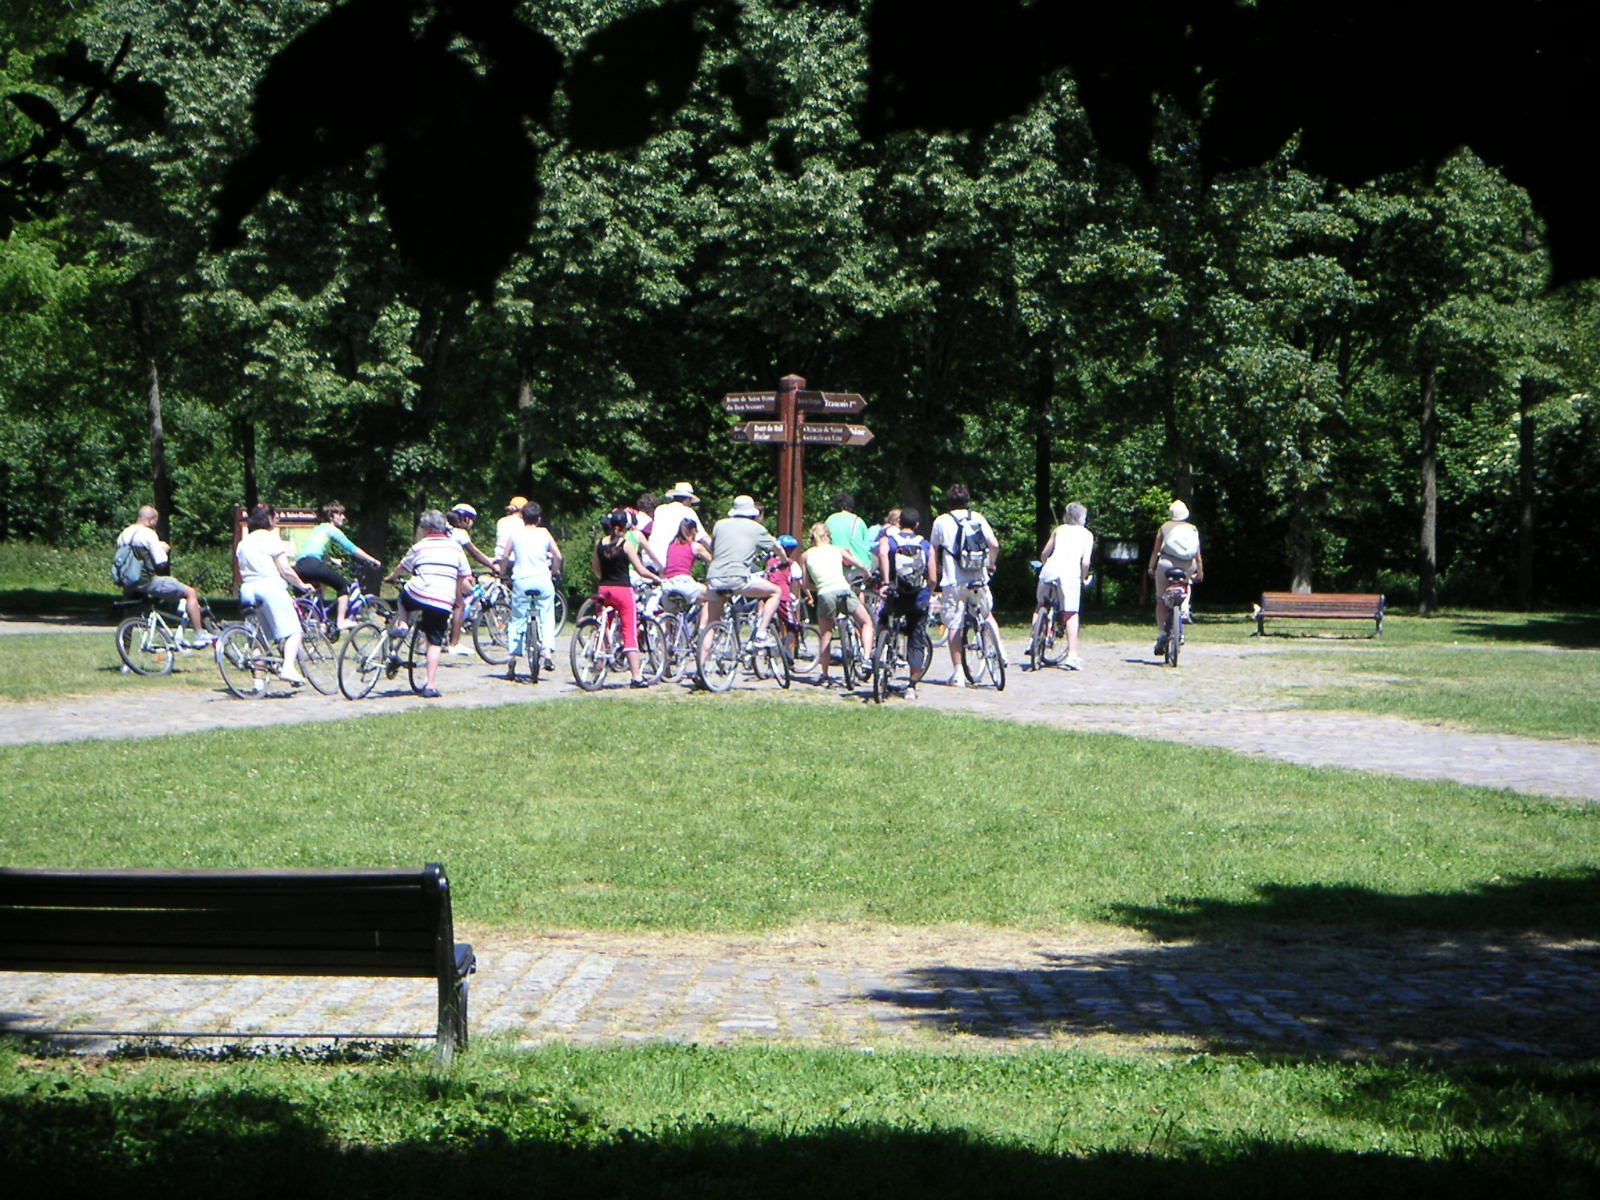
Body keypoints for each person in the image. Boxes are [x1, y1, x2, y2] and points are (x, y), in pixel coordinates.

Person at [387, 509, 472, 698]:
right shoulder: (455, 548)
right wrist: (456, 594)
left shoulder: (420, 547)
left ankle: (402, 624)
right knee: (434, 642)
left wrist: (392, 577)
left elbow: (403, 567)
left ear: (426, 528)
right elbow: (465, 576)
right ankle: (430, 686)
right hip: (443, 600)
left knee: (404, 598)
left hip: (418, 593)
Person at [930, 483, 1001, 686]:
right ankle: (995, 652)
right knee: (986, 615)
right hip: (978, 577)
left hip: (954, 580)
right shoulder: (977, 517)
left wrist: (933, 577)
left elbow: (933, 550)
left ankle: (958, 672)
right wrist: (990, 564)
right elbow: (994, 544)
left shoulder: (941, 521)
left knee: (954, 624)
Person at [235, 503, 312, 689]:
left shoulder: (243, 543)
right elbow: (285, 569)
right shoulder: (271, 539)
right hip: (269, 586)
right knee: (295, 631)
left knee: (258, 638)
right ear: (269, 519)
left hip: (248, 589)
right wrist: (301, 585)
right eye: (275, 517)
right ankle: (288, 667)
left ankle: (258, 683)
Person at [115, 505, 213, 646]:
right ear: (151, 520)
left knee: (128, 620)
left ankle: (126, 661)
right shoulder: (148, 534)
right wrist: (164, 549)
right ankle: (199, 634)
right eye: (155, 521)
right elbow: (161, 562)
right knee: (190, 592)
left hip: (129, 583)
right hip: (147, 581)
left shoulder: (124, 534)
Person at [704, 494, 784, 648]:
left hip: (714, 578)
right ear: (752, 513)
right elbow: (776, 546)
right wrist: (785, 560)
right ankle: (761, 633)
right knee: (775, 591)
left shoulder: (719, 525)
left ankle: (701, 665)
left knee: (712, 624)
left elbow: (714, 549)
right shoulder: (756, 528)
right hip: (738, 578)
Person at [800, 523, 873, 688]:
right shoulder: (837, 549)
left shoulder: (806, 555)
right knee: (866, 622)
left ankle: (825, 675)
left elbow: (804, 583)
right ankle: (867, 658)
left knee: (826, 634)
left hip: (825, 594)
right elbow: (859, 564)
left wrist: (816, 587)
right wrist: (867, 573)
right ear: (828, 536)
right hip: (843, 590)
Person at [593, 509, 660, 687]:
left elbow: (596, 568)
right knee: (629, 631)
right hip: (622, 590)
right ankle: (636, 676)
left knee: (603, 627)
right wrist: (655, 578)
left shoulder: (599, 543)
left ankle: (598, 666)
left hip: (604, 589)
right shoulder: (626, 544)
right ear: (625, 527)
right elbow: (640, 570)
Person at [875, 507, 935, 698]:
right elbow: (933, 577)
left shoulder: (889, 541)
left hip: (896, 595)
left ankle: (879, 653)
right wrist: (930, 592)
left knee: (884, 619)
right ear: (917, 525)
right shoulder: (926, 545)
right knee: (917, 640)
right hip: (918, 598)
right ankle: (911, 686)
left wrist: (885, 582)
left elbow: (883, 555)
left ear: (899, 523)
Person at [293, 502, 382, 631]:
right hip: (313, 564)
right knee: (343, 585)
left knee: (316, 589)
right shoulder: (331, 529)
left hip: (300, 566)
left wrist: (331, 560)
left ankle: (318, 622)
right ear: (331, 516)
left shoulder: (317, 529)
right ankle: (341, 621)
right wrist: (372, 559)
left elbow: (311, 551)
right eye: (339, 514)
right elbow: (351, 548)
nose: (343, 517)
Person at [502, 501, 563, 682]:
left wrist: (502, 572)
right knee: (547, 615)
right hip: (542, 579)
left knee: (517, 619)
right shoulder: (544, 533)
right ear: (539, 518)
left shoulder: (515, 534)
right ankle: (547, 652)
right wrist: (553, 571)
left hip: (521, 580)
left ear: (522, 517)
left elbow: (505, 556)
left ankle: (512, 657)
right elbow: (558, 556)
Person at [1034, 502, 1095, 670]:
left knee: (1040, 605)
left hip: (1049, 570)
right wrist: (1083, 578)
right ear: (1082, 517)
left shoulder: (1059, 530)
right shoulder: (1087, 535)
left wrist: (1045, 563)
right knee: (1071, 613)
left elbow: (1045, 553)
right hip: (1069, 574)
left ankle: (1033, 641)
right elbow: (1086, 561)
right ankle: (1072, 655)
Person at [1147, 499, 1204, 657]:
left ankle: (1161, 633)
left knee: (1160, 600)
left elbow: (1155, 551)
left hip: (1166, 564)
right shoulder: (1193, 529)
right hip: (1187, 565)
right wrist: (1200, 572)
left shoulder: (1164, 527)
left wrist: (1151, 568)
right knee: (1187, 584)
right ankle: (1184, 609)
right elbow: (1197, 556)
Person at [445, 504, 497, 658]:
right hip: (451, 573)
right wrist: (491, 565)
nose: (472, 523)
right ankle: (454, 643)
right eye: (472, 520)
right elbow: (474, 554)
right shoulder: (460, 532)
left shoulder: (444, 529)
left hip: (440, 571)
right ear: (465, 518)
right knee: (459, 605)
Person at [661, 515, 712, 625]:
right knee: (713, 596)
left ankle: (670, 639)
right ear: (693, 531)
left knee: (672, 617)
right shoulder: (695, 546)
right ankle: (703, 630)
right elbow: (712, 562)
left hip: (666, 585)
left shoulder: (671, 545)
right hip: (683, 583)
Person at [646, 481, 702, 567]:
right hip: (667, 562)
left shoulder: (660, 509)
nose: (691, 505)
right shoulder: (688, 511)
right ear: (687, 499)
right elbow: (703, 538)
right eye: (691, 501)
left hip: (649, 558)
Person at [824, 492, 873, 588]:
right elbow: (866, 546)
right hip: (857, 565)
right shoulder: (858, 521)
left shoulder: (829, 520)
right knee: (857, 593)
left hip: (836, 566)